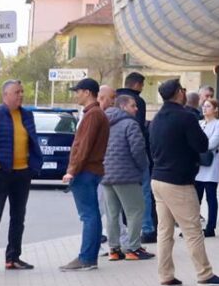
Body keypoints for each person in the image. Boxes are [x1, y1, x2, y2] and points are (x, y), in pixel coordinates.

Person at [150, 79, 219, 286]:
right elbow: (202, 145)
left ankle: (165, 275)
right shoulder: (185, 117)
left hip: (158, 179)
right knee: (193, 229)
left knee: (164, 231)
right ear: (178, 93)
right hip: (179, 181)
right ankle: (204, 274)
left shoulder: (157, 118)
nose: (185, 93)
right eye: (183, 90)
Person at [0, 79, 43, 272]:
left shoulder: (27, 115)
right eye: (17, 92)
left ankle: (13, 258)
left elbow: (32, 141)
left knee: (18, 217)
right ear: (5, 95)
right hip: (1, 174)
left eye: (22, 92)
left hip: (22, 173)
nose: (21, 95)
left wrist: (33, 164)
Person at [60, 77, 109, 272]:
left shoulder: (92, 115)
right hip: (92, 170)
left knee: (88, 215)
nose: (76, 95)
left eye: (78, 91)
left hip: (85, 171)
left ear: (87, 92)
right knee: (92, 214)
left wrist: (71, 170)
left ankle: (86, 257)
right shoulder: (96, 114)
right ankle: (90, 257)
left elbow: (84, 146)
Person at [103, 94, 154, 262]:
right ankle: (133, 248)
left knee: (112, 213)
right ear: (123, 106)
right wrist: (143, 167)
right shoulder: (130, 124)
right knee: (135, 211)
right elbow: (138, 149)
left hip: (107, 174)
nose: (136, 109)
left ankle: (114, 249)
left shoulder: (104, 123)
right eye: (133, 105)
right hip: (127, 175)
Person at [116, 71, 155, 244]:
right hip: (136, 154)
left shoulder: (115, 99)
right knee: (144, 191)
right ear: (137, 84)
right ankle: (147, 229)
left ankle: (120, 234)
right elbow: (138, 130)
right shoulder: (137, 101)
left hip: (117, 158)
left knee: (116, 198)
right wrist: (144, 160)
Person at [195, 98, 219, 238]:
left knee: (211, 197)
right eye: (204, 106)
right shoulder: (199, 123)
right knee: (196, 198)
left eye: (208, 106)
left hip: (211, 164)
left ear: (215, 109)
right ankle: (193, 227)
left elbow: (213, 143)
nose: (204, 108)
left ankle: (211, 227)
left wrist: (197, 146)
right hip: (198, 166)